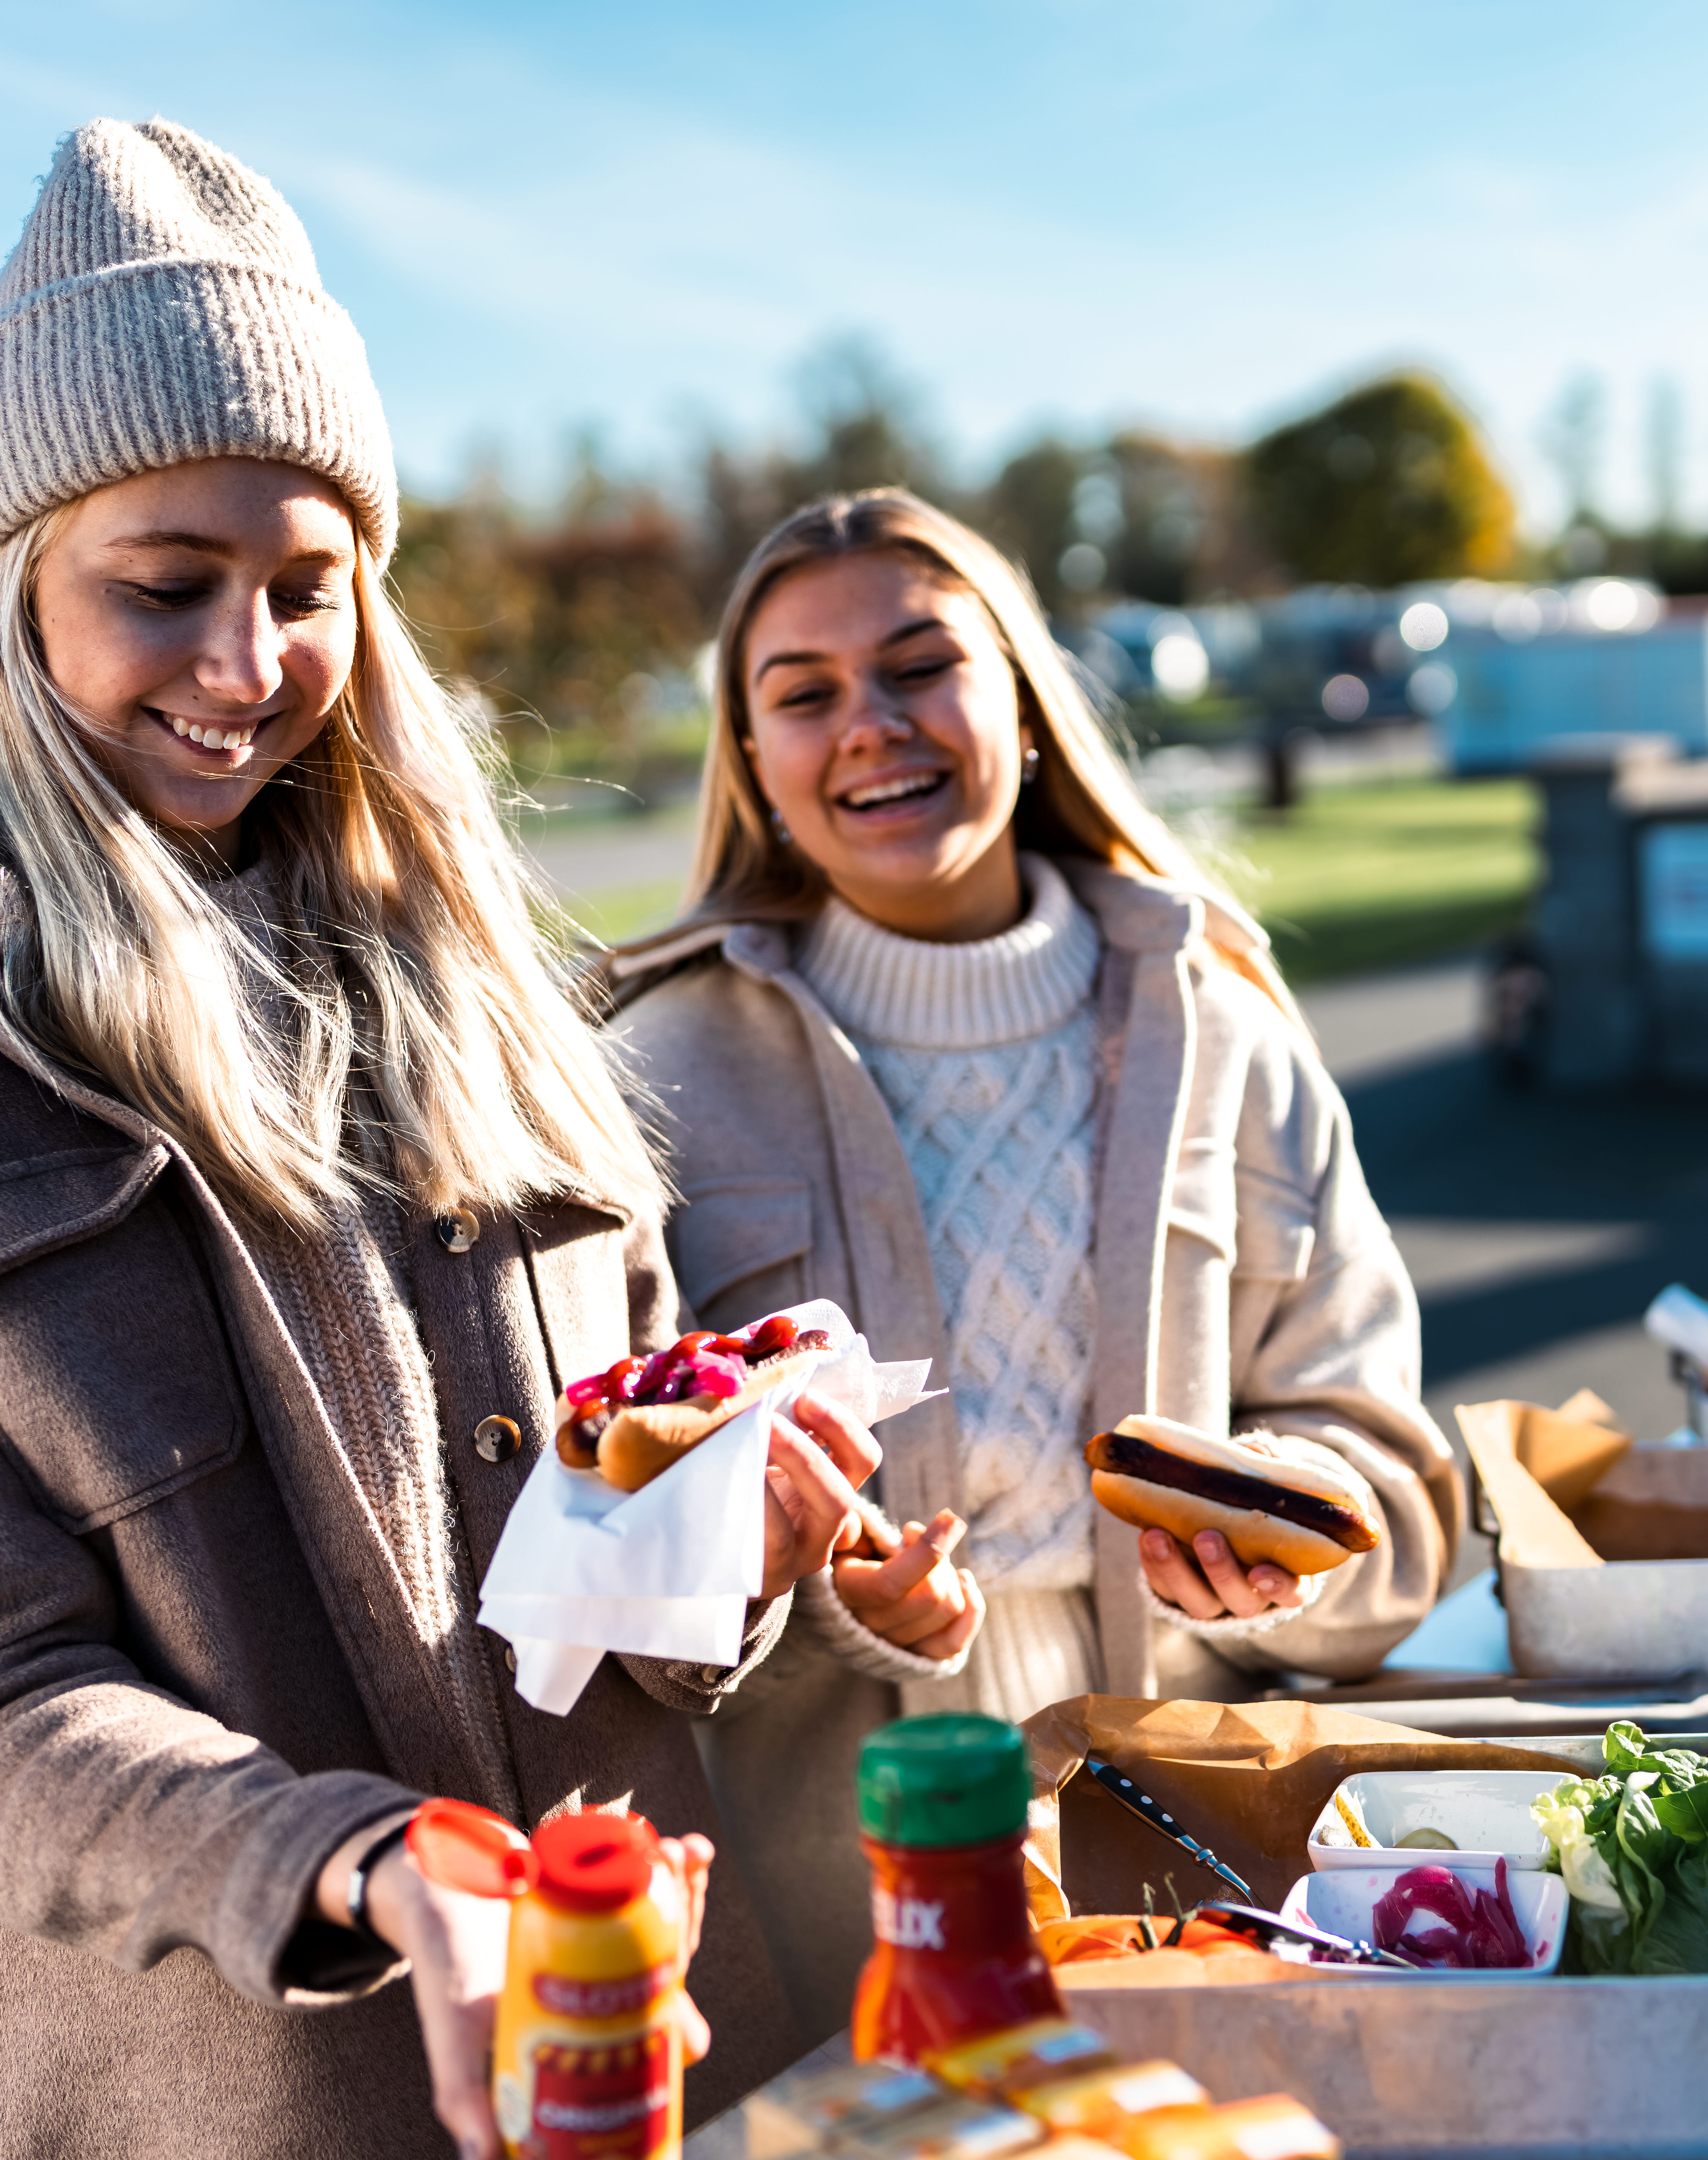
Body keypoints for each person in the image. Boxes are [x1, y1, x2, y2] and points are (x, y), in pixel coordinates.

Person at [0, 121, 882, 2158]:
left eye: (307, 591)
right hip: (259, 2108)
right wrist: (368, 1867)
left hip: (682, 2039)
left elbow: (636, 1571)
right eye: (167, 588)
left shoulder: (494, 985)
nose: (248, 672)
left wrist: (737, 1555)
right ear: (6, 591)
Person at [607, 490, 1460, 2036]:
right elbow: (598, 1535)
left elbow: (1393, 1477)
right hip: (824, 1891)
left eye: (924, 666)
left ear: (1025, 694)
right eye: (803, 693)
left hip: (1197, 1864)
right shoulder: (646, 1069)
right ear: (751, 761)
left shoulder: (1227, 1032)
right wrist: (831, 1588)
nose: (870, 723)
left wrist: (1279, 1546)